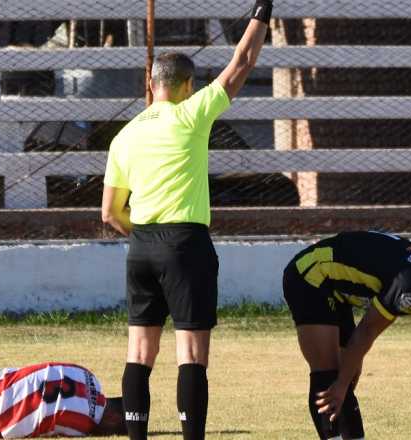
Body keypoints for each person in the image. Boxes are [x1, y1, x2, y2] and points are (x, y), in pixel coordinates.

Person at [99, 1, 272, 439]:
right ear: (188, 86)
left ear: (150, 83)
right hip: (184, 242)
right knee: (191, 352)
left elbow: (108, 213)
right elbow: (243, 62)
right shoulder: (191, 114)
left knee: (139, 352)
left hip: (141, 246)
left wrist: (143, 238)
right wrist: (262, 12)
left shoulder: (124, 135)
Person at [283, 231, 411, 440]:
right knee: (329, 373)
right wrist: (341, 383)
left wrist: (345, 378)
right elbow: (367, 331)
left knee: (346, 375)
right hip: (310, 275)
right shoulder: (410, 286)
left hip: (337, 291)